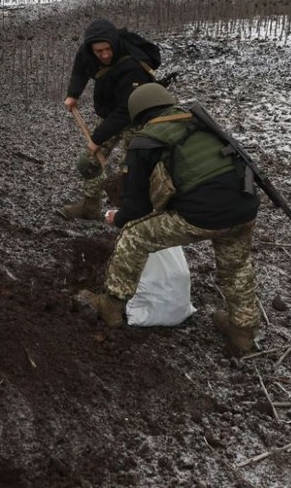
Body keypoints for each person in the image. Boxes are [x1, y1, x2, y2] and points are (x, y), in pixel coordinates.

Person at [80, 83, 262, 356]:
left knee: (135, 235)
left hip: (204, 214)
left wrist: (117, 218)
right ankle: (242, 332)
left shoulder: (144, 141)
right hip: (244, 207)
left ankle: (111, 306)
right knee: (235, 268)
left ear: (138, 115)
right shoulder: (201, 124)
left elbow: (136, 207)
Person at [61, 18, 160, 220]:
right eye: (99, 51)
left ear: (114, 44)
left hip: (135, 118)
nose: (105, 55)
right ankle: (90, 207)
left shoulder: (133, 66)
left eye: (108, 49)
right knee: (88, 162)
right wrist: (73, 94)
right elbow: (80, 66)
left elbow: (125, 111)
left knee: (131, 172)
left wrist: (96, 139)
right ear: (91, 49)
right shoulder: (87, 50)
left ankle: (131, 217)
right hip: (110, 113)